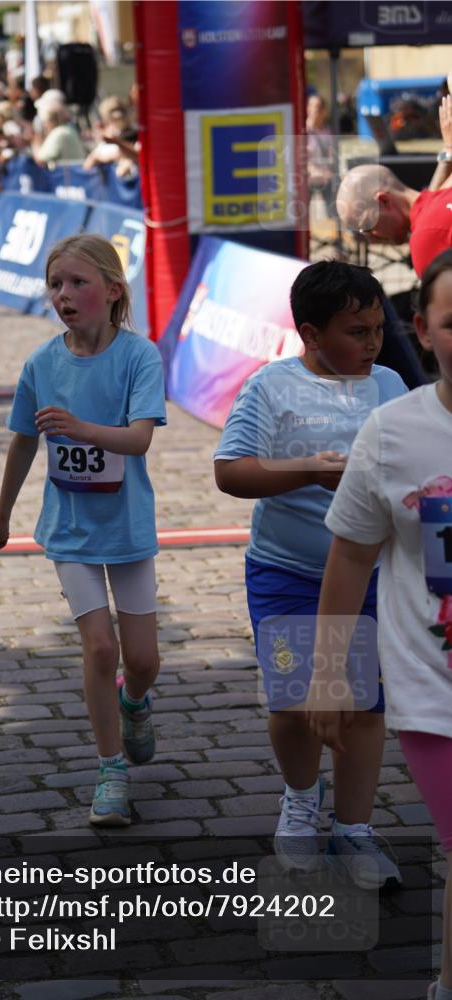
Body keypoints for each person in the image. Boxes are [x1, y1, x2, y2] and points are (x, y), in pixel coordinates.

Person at [214, 260, 408, 884]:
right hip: (288, 571)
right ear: (310, 333)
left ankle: (354, 832)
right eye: (357, 331)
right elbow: (231, 471)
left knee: (365, 705)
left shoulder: (391, 386)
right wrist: (308, 471)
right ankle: (301, 798)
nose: (373, 342)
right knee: (296, 701)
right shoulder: (270, 387)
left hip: (375, 574)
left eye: (378, 327)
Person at [307, 250, 452, 1000]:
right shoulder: (391, 433)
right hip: (435, 690)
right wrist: (332, 673)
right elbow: (351, 557)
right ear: (423, 331)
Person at [0, 234, 166, 826]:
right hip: (69, 530)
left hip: (128, 526)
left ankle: (133, 700)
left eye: (78, 283)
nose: (64, 295)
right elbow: (23, 439)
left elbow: (138, 439)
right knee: (101, 646)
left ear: (113, 292)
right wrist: (3, 513)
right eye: (56, 285)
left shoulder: (139, 357)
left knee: (142, 659)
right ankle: (110, 768)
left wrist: (82, 428)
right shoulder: (41, 362)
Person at [336, 94, 452, 277]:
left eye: (367, 226)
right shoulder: (446, 188)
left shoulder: (424, 241)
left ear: (383, 201)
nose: (371, 239)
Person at [305, 94, 335, 217]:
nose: (315, 110)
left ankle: (335, 230)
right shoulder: (302, 130)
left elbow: (332, 154)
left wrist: (331, 171)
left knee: (332, 210)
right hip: (307, 177)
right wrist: (313, 170)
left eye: (318, 107)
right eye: (312, 106)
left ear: (324, 111)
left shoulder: (328, 131)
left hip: (326, 177)